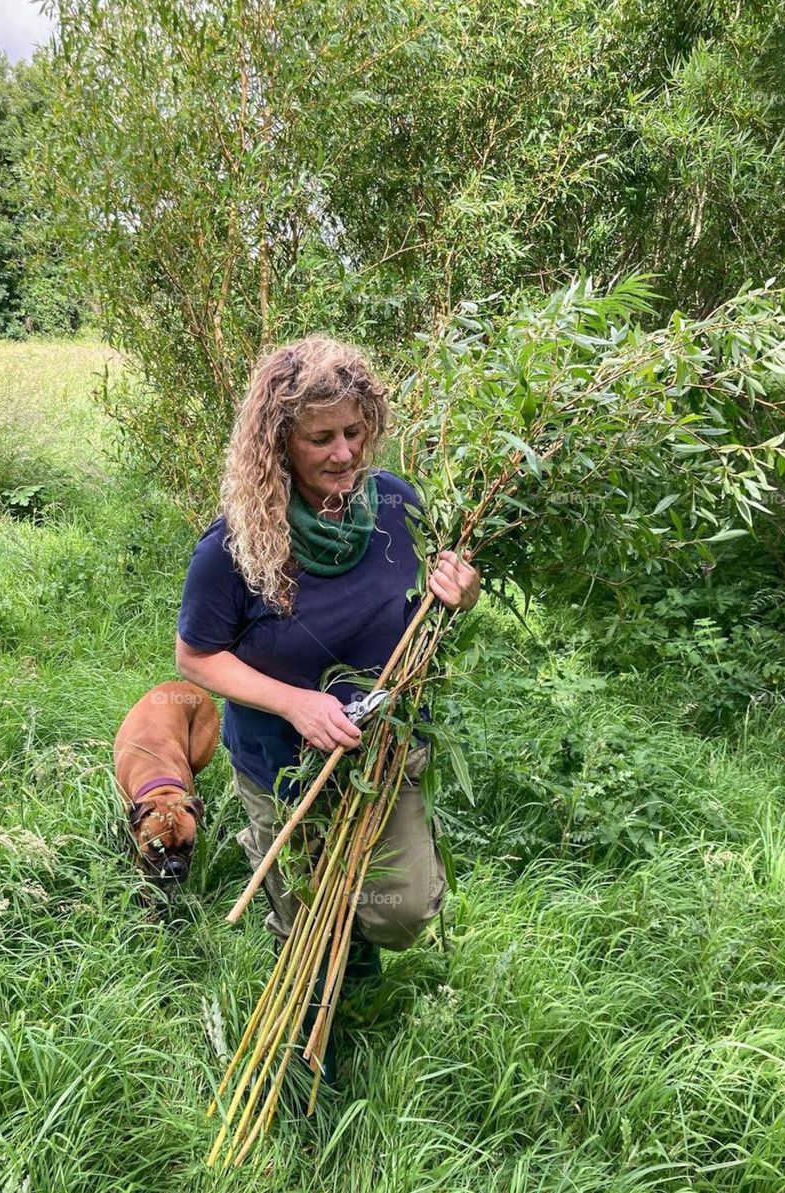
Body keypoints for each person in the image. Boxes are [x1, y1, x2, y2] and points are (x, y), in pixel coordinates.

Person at [174, 335, 479, 1071]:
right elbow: (195, 655)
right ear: (279, 441)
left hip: (384, 753)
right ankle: (315, 1039)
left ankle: (352, 938)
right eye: (320, 438)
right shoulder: (236, 546)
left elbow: (428, 613)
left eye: (354, 430)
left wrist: (459, 595)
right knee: (306, 939)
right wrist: (297, 705)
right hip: (284, 764)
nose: (343, 452)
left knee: (402, 910)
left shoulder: (399, 505)